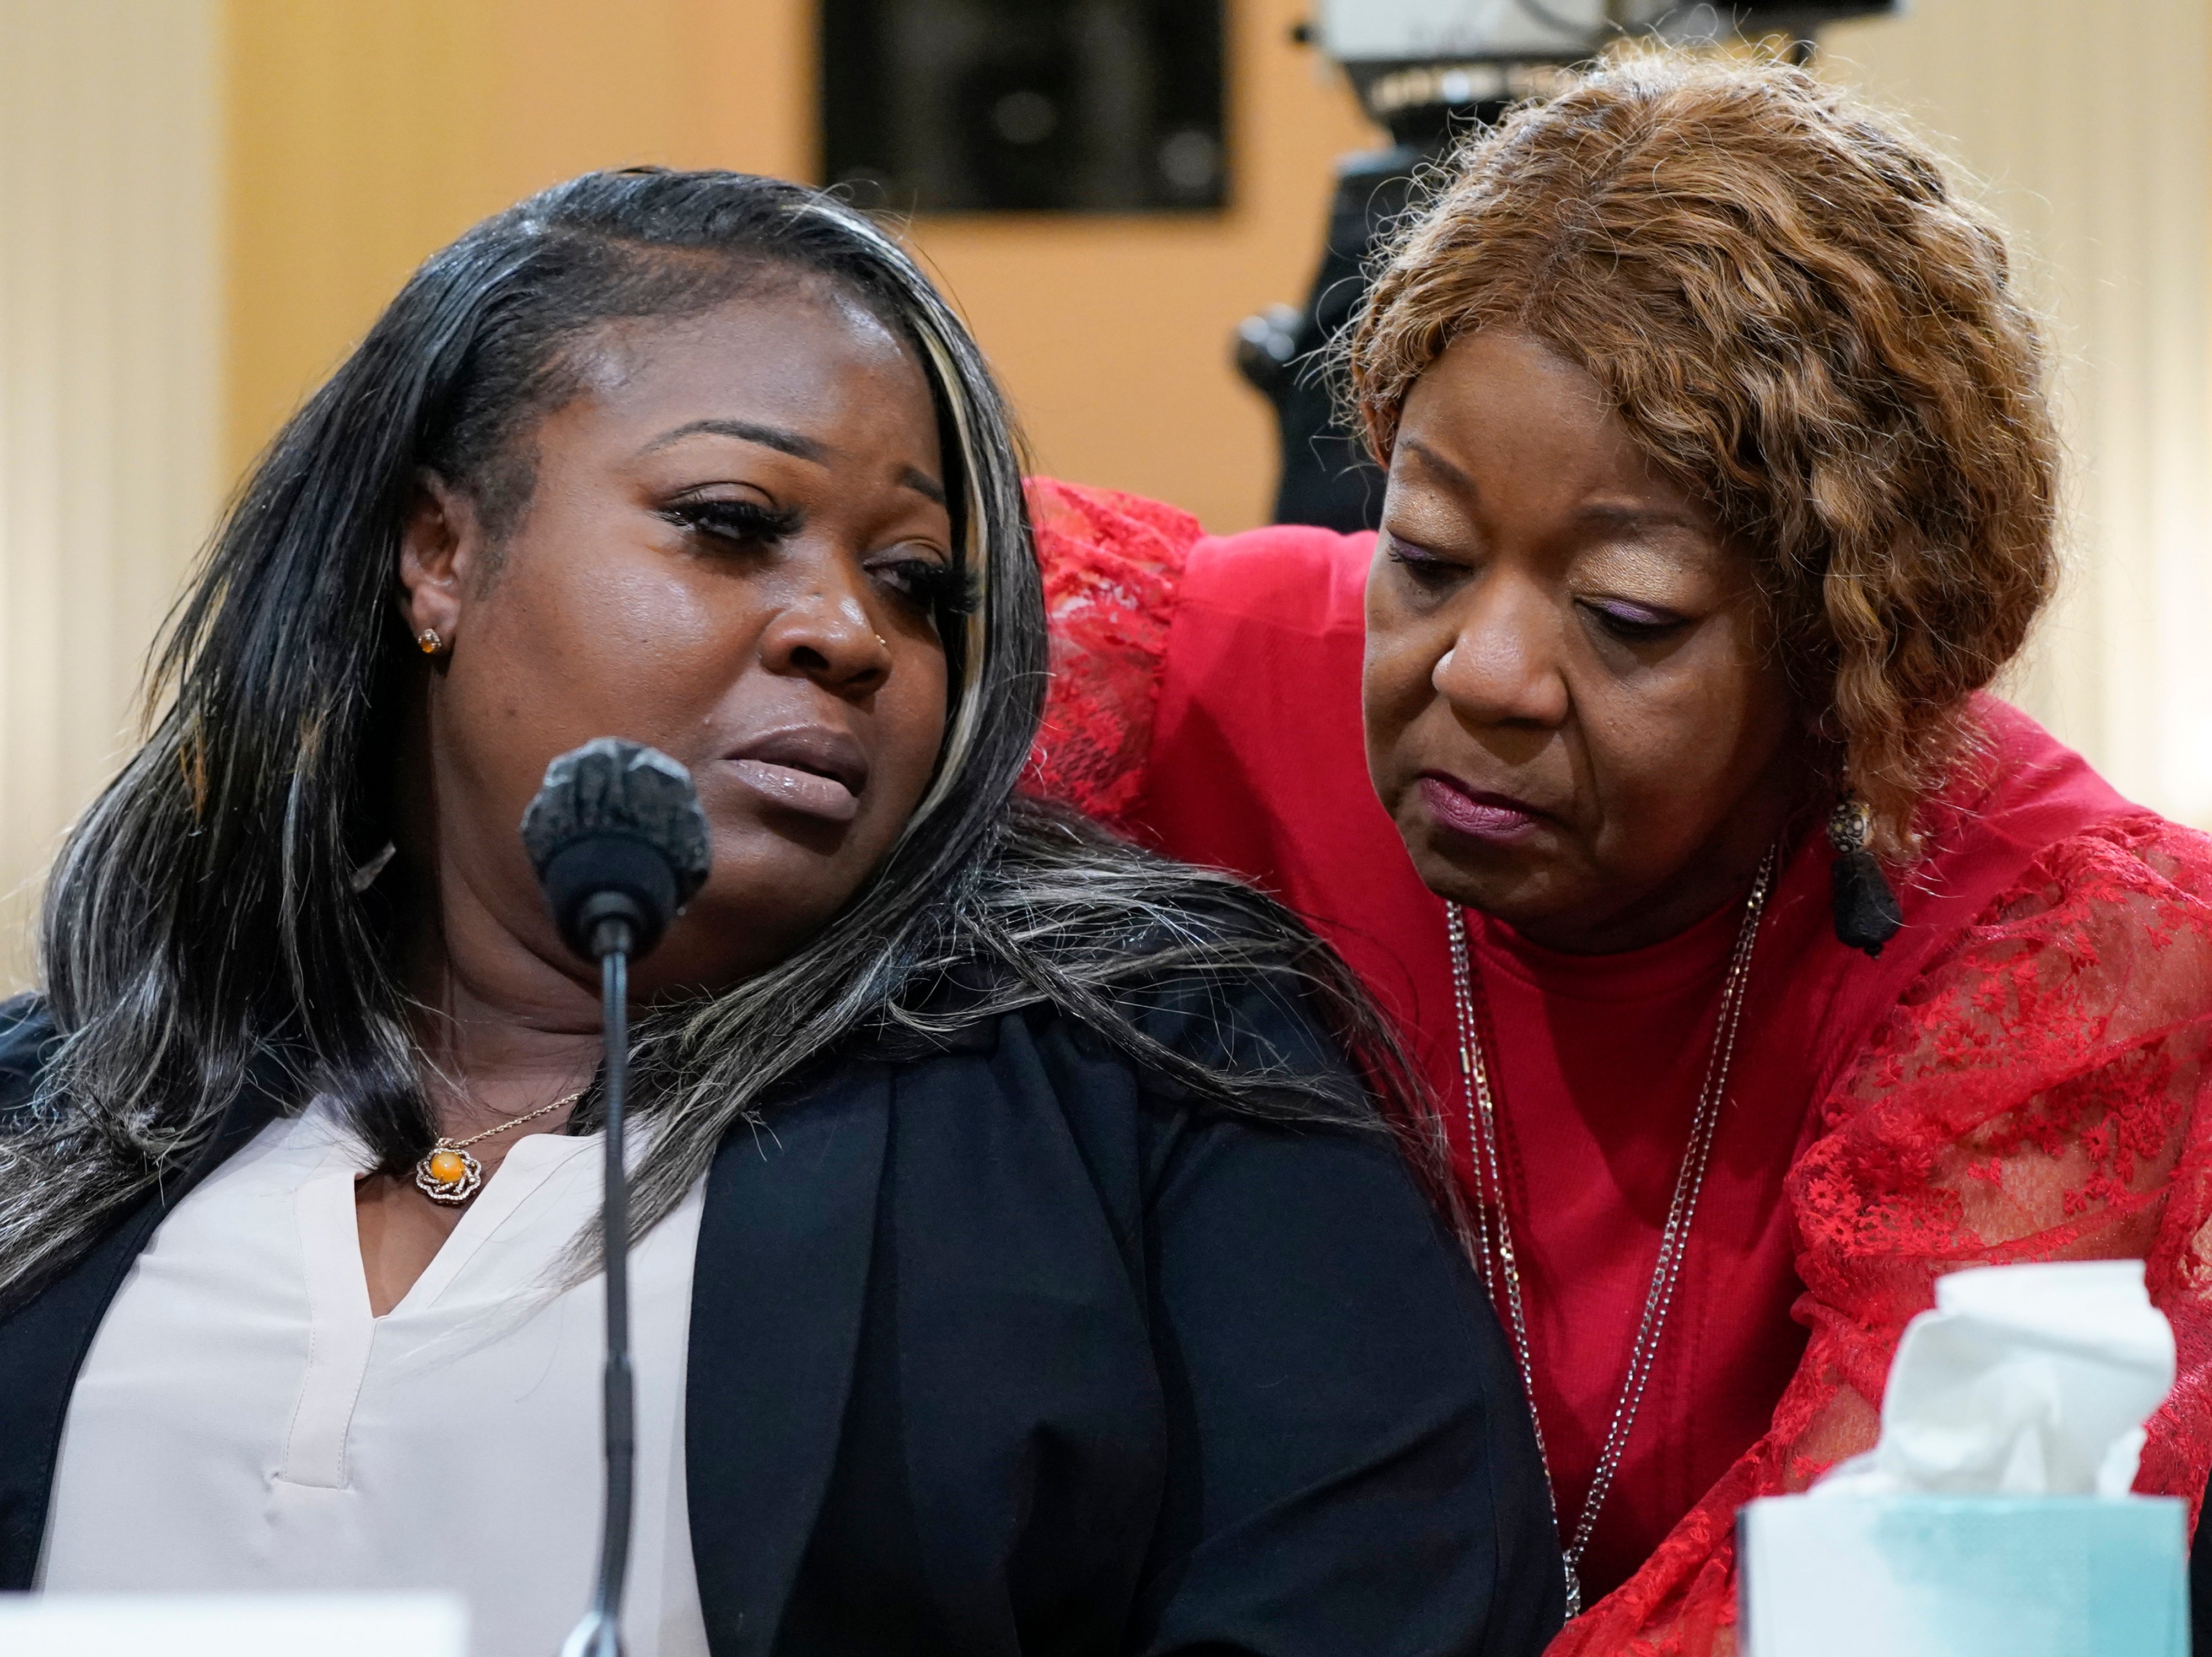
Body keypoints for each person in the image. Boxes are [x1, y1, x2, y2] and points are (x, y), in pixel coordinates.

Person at [0, 170, 1566, 1657]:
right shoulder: (60, 1103)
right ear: (438, 556)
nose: (846, 632)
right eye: (732, 523)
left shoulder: (1153, 1086)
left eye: (916, 585)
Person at [1025, 51, 2212, 1655]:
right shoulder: (1173, 681)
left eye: (1627, 615)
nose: (1482, 674)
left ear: (1850, 655)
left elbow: (1918, 1602)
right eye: (1427, 553)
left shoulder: (2048, 944)